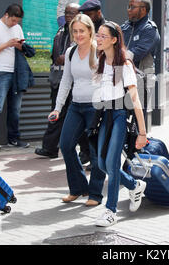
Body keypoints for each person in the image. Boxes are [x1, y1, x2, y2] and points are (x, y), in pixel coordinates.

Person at [93, 21, 148, 227]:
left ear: (114, 40)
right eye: (97, 35)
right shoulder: (100, 60)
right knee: (101, 163)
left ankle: (110, 210)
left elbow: (135, 100)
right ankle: (134, 186)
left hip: (118, 115)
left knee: (112, 164)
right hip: (104, 115)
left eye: (102, 36)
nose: (98, 39)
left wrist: (142, 133)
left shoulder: (124, 65)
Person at [48, 14, 105, 207]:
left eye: (82, 31)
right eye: (75, 31)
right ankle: (78, 188)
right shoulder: (71, 52)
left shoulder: (99, 51)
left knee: (96, 152)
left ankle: (95, 194)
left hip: (96, 108)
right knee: (66, 145)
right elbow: (66, 82)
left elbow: (112, 79)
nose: (78, 34)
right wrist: (58, 108)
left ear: (90, 31)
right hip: (76, 106)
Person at [35, 3, 90, 160]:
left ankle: (87, 154)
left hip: (83, 93)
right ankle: (50, 147)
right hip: (60, 81)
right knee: (58, 116)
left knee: (83, 126)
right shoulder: (61, 32)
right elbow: (58, 61)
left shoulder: (88, 43)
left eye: (71, 13)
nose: (67, 16)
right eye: (66, 13)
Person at [0, 4, 30, 149]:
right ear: (6, 15)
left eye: (17, 21)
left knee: (15, 109)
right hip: (0, 72)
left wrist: (19, 46)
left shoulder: (17, 28)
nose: (15, 24)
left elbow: (22, 49)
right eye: (13, 21)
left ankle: (14, 139)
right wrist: (7, 44)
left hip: (16, 72)